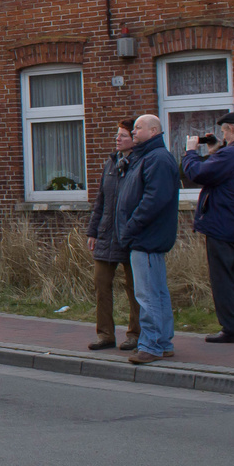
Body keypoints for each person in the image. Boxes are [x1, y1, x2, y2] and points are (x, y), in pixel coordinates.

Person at [182, 111, 234, 344]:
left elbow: (196, 173)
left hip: (220, 225)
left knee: (222, 280)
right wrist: (216, 151)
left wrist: (190, 151)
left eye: (224, 131)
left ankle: (231, 329)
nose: (223, 135)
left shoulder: (230, 155)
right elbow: (226, 177)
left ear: (229, 129)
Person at [116, 114, 180, 365]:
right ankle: (163, 343)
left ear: (154, 131)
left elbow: (153, 200)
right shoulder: (145, 158)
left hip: (147, 237)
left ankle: (151, 344)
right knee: (157, 293)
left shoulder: (157, 159)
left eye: (138, 128)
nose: (133, 131)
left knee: (148, 294)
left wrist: (131, 226)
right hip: (145, 236)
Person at [86, 119, 142, 351]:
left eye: (123, 135)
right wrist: (93, 230)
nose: (117, 139)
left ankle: (135, 335)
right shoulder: (110, 164)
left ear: (134, 139)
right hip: (107, 233)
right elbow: (101, 200)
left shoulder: (141, 164)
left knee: (135, 288)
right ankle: (105, 334)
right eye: (117, 135)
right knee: (101, 284)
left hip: (130, 236)